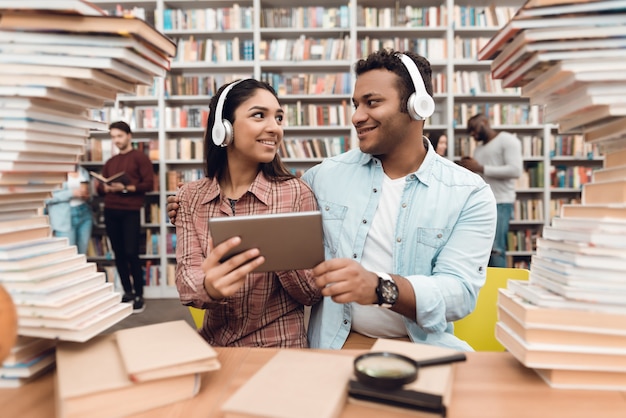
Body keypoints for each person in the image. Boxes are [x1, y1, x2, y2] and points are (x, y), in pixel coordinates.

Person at [169, 50, 497, 351]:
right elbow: (271, 195)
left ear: (417, 106)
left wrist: (380, 287)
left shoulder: (470, 193)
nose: (356, 116)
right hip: (334, 346)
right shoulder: (321, 178)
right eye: (355, 104)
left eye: (371, 102)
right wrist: (187, 207)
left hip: (423, 347)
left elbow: (460, 293)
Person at [174, 78, 322, 348]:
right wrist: (210, 287)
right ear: (224, 129)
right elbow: (186, 284)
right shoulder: (189, 197)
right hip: (215, 345)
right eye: (259, 115)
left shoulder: (296, 193)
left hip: (279, 345)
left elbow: (311, 293)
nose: (274, 128)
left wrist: (278, 247)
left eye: (279, 118)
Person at [97, 121, 154, 313]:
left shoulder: (140, 158)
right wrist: (104, 186)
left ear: (129, 136)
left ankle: (139, 294)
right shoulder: (110, 162)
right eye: (113, 137)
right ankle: (127, 292)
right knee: (119, 254)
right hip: (111, 210)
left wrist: (125, 188)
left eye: (119, 136)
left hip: (130, 210)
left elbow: (148, 185)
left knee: (131, 253)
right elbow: (99, 189)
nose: (116, 140)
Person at [456, 113, 522, 268]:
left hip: (501, 201)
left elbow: (515, 170)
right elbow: (481, 176)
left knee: (496, 249)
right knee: (482, 250)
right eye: (470, 131)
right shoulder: (478, 150)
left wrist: (480, 168)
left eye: (474, 128)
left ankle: (498, 289)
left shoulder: (507, 140)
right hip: (481, 203)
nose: (472, 134)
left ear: (485, 122)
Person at [45, 165, 93, 255]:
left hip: (84, 213)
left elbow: (90, 195)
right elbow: (46, 198)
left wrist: (88, 196)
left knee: (82, 254)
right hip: (64, 218)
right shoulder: (54, 173)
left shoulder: (83, 171)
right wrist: (71, 193)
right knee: (69, 255)